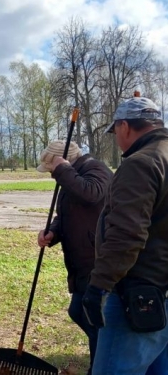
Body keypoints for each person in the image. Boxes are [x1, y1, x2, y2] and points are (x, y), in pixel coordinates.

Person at [81, 96, 168, 375]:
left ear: (124, 126)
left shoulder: (141, 164)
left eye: (116, 131)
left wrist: (99, 286)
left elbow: (127, 233)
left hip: (138, 293)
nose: (117, 138)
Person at [36, 140, 112, 375]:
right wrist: (53, 231)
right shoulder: (70, 176)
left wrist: (62, 170)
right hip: (79, 262)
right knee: (78, 312)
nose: (51, 175)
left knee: (93, 319)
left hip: (97, 259)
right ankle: (102, 358)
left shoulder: (96, 170)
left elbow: (91, 194)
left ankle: (99, 366)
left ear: (62, 161)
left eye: (51, 169)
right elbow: (66, 214)